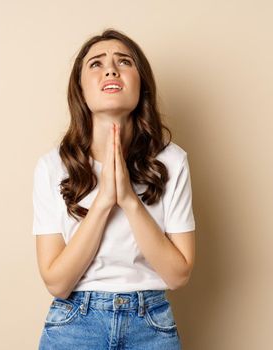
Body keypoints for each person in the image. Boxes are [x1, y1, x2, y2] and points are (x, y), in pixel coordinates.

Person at [32, 28, 196, 350]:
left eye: (124, 62)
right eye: (96, 64)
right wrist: (104, 202)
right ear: (80, 88)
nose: (110, 69)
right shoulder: (52, 167)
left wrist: (129, 201)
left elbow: (179, 275)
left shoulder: (172, 161)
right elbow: (57, 281)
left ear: (141, 84)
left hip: (151, 324)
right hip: (74, 325)